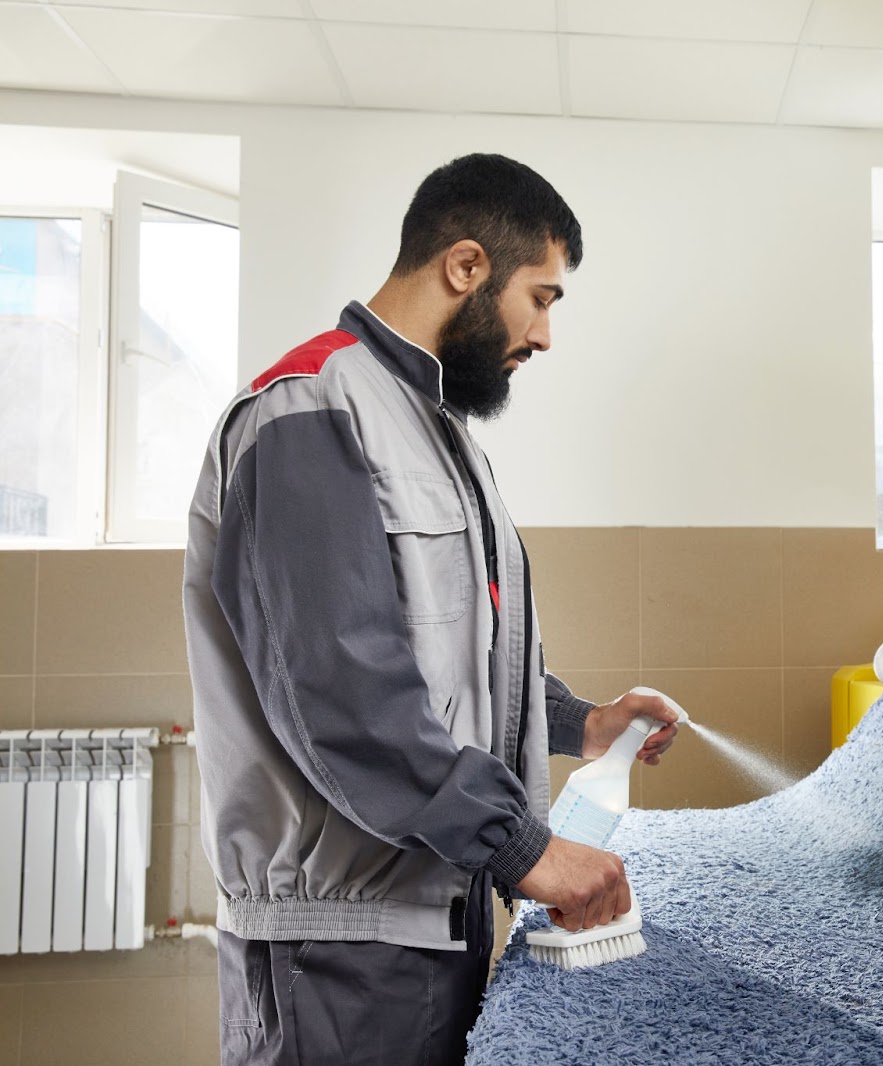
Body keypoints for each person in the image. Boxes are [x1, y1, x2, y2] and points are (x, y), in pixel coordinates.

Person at [182, 153, 679, 1066]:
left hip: (431, 922)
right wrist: (525, 846)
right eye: (543, 297)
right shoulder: (306, 412)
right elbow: (344, 694)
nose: (544, 334)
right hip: (335, 953)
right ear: (466, 267)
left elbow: (460, 654)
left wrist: (581, 719)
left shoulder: (440, 435)